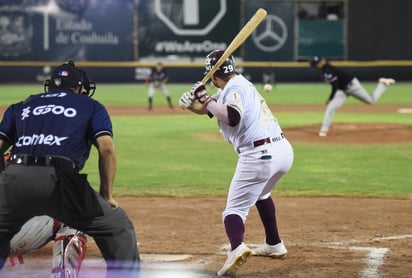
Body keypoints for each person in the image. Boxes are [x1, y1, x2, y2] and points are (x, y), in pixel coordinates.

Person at [0, 61, 140, 277]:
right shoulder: (90, 105)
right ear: (80, 87)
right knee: (117, 226)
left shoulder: (21, 106)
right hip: (58, 177)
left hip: (12, 178)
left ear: (49, 86)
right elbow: (107, 150)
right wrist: (107, 195)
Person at [179, 50, 294, 277]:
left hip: (259, 154)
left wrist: (204, 97)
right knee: (261, 194)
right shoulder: (239, 85)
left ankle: (236, 248)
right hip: (282, 151)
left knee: (234, 210)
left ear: (212, 76)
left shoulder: (234, 89)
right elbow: (211, 110)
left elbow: (231, 116)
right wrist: (191, 105)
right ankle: (274, 243)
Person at [309, 56, 396, 137]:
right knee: (330, 108)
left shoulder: (329, 70)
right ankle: (324, 130)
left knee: (371, 101)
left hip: (352, 86)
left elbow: (335, 85)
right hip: (342, 90)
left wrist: (330, 98)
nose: (320, 63)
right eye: (317, 62)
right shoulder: (325, 71)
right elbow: (336, 85)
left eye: (320, 61)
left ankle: (382, 84)